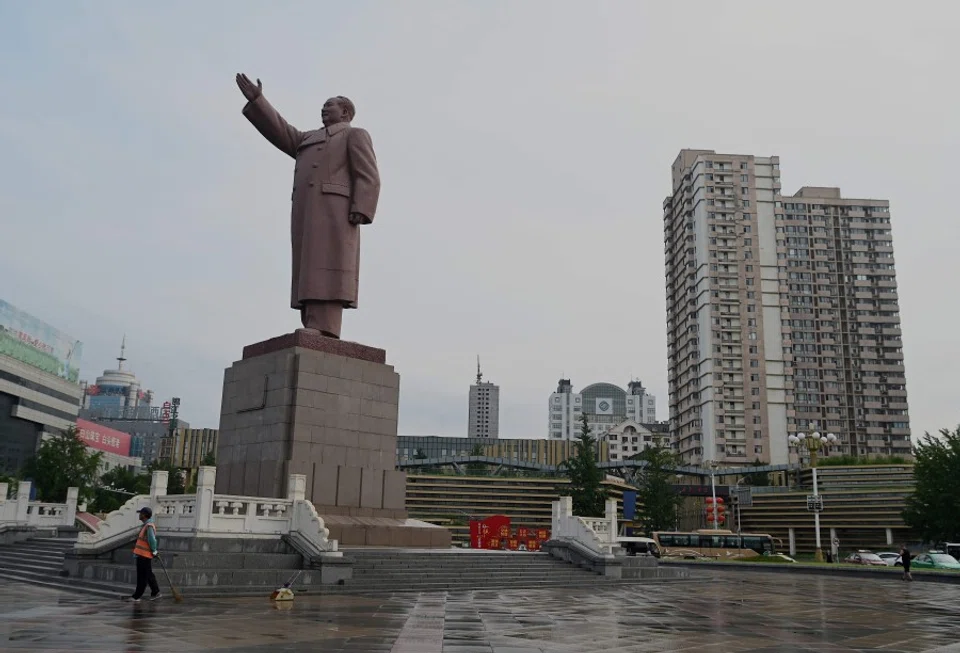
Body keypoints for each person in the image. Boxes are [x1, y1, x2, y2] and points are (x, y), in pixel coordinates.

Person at [128, 507, 161, 602]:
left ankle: (137, 596)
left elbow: (152, 540)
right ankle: (156, 592)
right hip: (142, 555)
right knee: (148, 574)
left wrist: (154, 551)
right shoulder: (146, 525)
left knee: (142, 576)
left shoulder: (149, 526)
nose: (139, 515)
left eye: (141, 513)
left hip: (144, 555)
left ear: (145, 515)